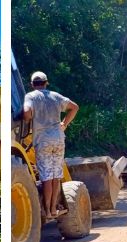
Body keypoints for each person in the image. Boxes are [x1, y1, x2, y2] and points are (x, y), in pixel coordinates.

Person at [22, 71, 79, 217]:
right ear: (46, 82)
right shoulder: (55, 96)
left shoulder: (31, 96)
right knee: (56, 175)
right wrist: (64, 124)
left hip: (42, 141)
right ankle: (54, 209)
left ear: (32, 84)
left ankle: (47, 210)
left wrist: (29, 120)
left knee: (46, 177)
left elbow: (27, 113)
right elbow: (75, 107)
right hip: (59, 139)